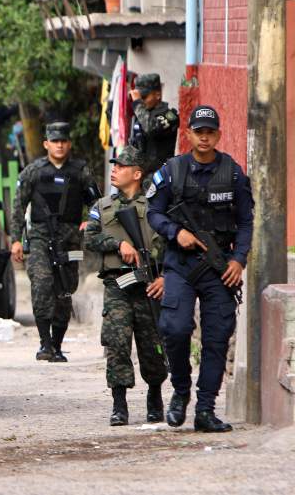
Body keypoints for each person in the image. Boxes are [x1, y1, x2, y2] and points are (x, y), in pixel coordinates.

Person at [147, 105, 254, 432]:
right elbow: (153, 212)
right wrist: (174, 231)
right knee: (175, 329)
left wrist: (239, 260)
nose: (204, 137)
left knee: (217, 337)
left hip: (219, 268)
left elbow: (246, 223)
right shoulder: (173, 171)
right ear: (189, 134)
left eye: (210, 132)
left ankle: (205, 408)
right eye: (199, 131)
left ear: (218, 135)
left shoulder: (233, 174)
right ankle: (180, 392)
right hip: (180, 265)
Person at [84, 146, 168, 426]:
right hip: (117, 284)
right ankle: (119, 405)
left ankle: (155, 397)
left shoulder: (156, 206)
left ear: (137, 173)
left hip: (149, 285)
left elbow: (169, 244)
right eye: (114, 166)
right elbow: (90, 239)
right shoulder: (102, 207)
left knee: (151, 344)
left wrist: (163, 277)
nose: (115, 170)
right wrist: (118, 244)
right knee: (117, 344)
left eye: (121, 166)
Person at [10, 122, 101, 362]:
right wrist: (15, 240)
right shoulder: (33, 171)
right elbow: (18, 206)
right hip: (40, 236)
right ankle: (44, 344)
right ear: (46, 144)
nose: (59, 145)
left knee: (65, 290)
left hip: (70, 240)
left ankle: (58, 346)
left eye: (63, 141)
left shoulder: (80, 170)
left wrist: (89, 223)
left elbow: (97, 204)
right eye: (55, 141)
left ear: (69, 144)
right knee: (41, 283)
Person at [129, 73, 180, 178]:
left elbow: (151, 128)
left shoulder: (169, 115)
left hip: (160, 176)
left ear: (157, 95)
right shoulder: (143, 115)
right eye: (139, 97)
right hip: (140, 176)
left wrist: (138, 104)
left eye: (144, 97)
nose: (141, 101)